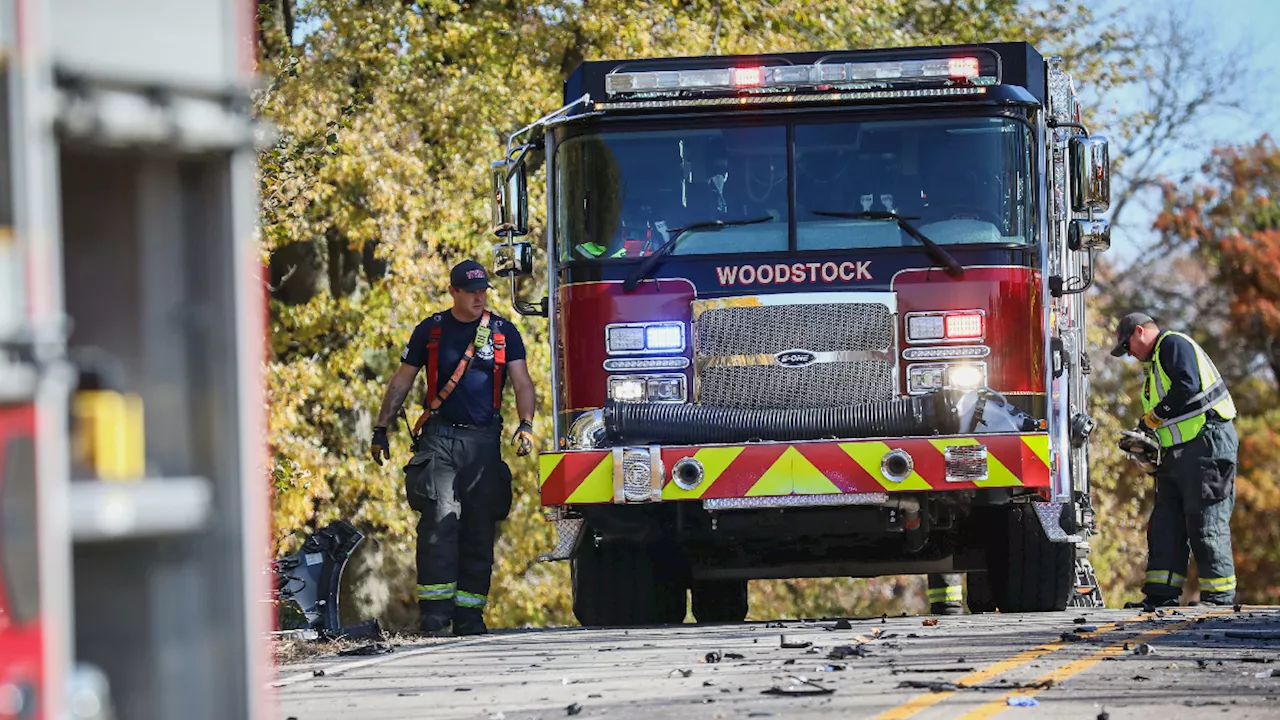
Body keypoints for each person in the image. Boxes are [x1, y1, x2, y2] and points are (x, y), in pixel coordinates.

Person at [369, 259, 537, 635]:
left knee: (479, 527)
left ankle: (469, 614)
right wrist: (382, 428)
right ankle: (435, 614)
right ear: (453, 292)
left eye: (484, 291)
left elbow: (523, 382)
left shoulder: (502, 332)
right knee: (439, 524)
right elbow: (401, 382)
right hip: (439, 440)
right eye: (472, 291)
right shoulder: (431, 331)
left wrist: (526, 425)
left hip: (483, 442)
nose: (479, 297)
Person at [1110, 312, 1238, 607]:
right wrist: (1145, 441)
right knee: (1165, 524)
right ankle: (1160, 594)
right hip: (1178, 454)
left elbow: (1186, 386)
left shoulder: (1172, 345)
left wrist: (1153, 419)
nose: (1130, 355)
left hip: (1208, 444)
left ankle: (1218, 596)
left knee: (1206, 520)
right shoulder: (1155, 366)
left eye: (1128, 347)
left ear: (1140, 331)